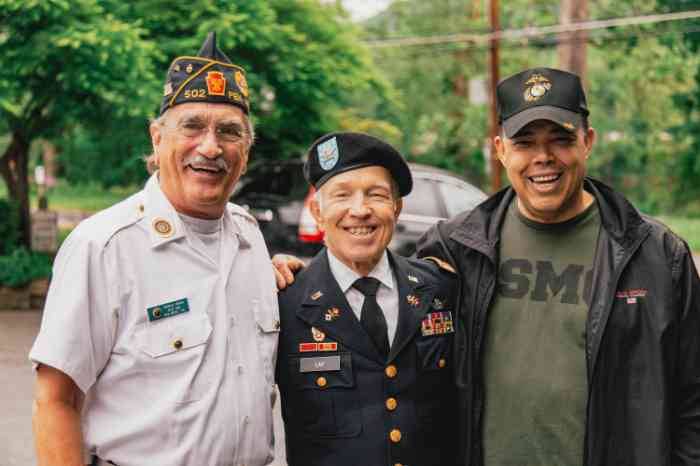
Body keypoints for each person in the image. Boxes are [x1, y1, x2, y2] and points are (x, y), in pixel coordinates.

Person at [415, 67, 700, 466]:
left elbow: (692, 398)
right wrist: (300, 279)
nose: (543, 158)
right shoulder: (454, 249)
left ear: (588, 142)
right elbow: (383, 335)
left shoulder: (657, 254)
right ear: (500, 149)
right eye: (525, 142)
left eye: (562, 139)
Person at [30, 33, 280, 466]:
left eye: (229, 131)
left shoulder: (249, 238)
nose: (210, 147)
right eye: (192, 126)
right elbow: (55, 402)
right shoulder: (104, 246)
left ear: (246, 150)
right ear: (156, 138)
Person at [275, 132, 460, 466]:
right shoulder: (283, 302)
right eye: (342, 195)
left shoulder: (441, 289)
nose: (359, 210)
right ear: (318, 212)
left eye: (375, 195)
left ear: (396, 208)